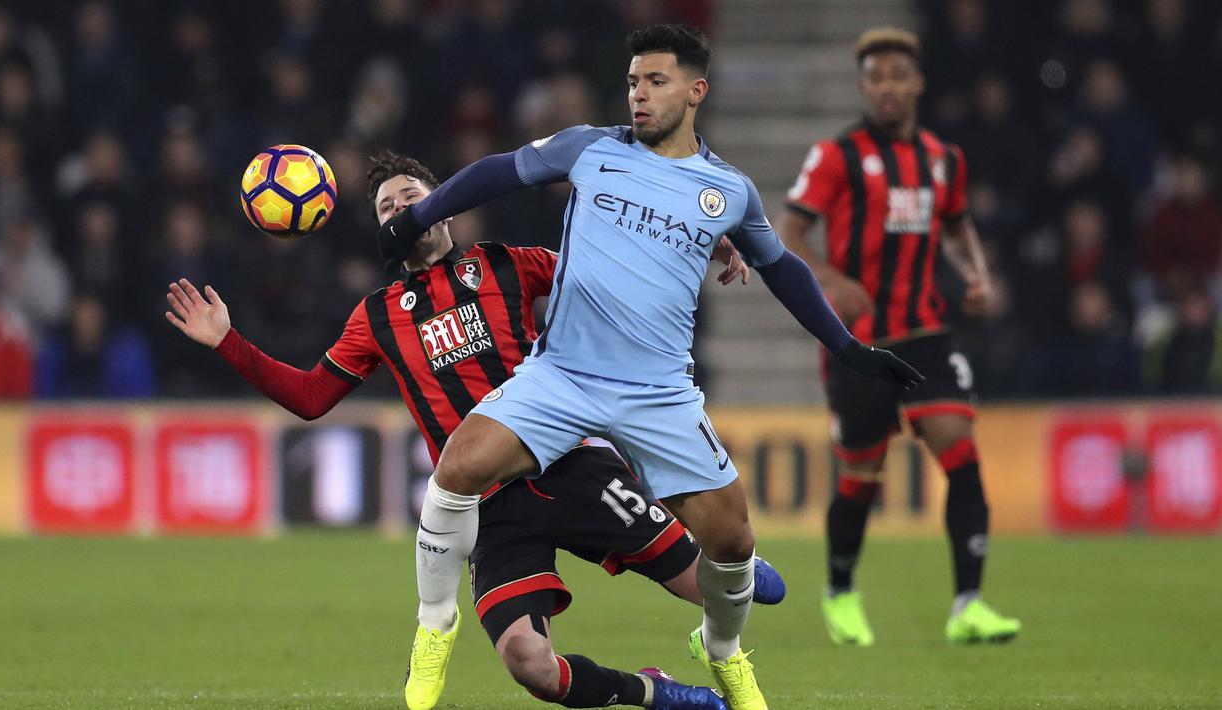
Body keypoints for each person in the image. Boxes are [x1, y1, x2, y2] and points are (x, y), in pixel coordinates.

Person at [376, 24, 921, 710]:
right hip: (563, 376)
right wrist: (421, 212)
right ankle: (433, 630)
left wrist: (847, 347)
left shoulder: (726, 191)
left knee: (731, 542)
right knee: (457, 468)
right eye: (634, 80)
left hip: (659, 392)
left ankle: (720, 651)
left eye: (656, 81)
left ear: (695, 92)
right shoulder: (589, 148)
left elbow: (781, 269)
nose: (639, 93)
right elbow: (496, 170)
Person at [165, 151, 789, 710]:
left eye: (412, 197)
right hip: (485, 510)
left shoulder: (508, 265)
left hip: (572, 469)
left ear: (446, 208)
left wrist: (707, 243)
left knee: (712, 593)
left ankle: (732, 578)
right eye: (387, 205)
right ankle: (651, 691)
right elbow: (309, 397)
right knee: (531, 667)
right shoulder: (377, 316)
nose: (400, 209)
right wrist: (228, 342)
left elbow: (610, 267)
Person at [775, 28, 1021, 646]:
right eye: (875, 77)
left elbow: (959, 227)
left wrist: (977, 275)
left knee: (961, 456)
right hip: (859, 344)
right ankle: (840, 592)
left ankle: (968, 603)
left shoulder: (944, 159)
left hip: (927, 333)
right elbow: (788, 232)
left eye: (897, 76)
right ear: (864, 88)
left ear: (917, 84)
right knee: (861, 478)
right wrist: (831, 280)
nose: (887, 86)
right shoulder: (837, 157)